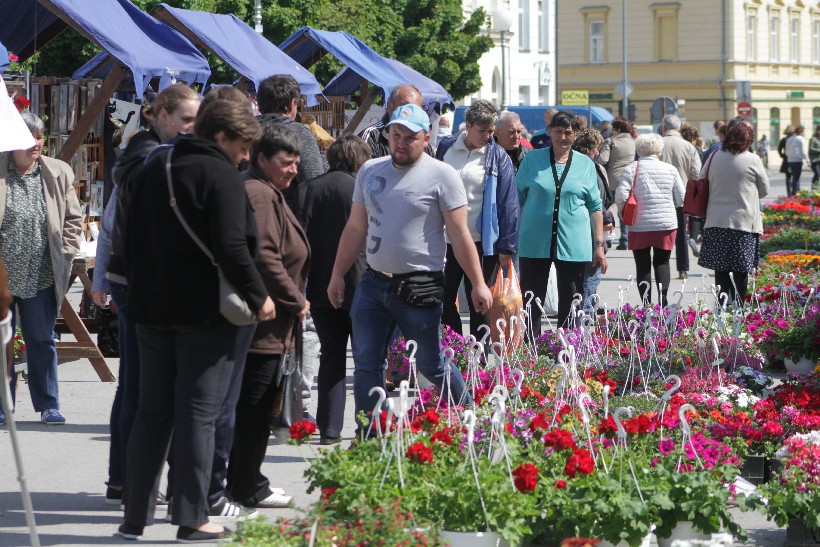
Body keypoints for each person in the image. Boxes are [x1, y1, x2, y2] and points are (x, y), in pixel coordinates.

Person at [119, 99, 274, 543]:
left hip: (151, 310)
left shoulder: (155, 166)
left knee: (152, 413)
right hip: (206, 313)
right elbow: (232, 246)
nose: (246, 157)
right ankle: (192, 516)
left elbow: (130, 236)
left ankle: (134, 514)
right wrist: (259, 297)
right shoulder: (220, 174)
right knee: (198, 414)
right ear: (221, 137)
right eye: (243, 146)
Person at [327, 103, 492, 432]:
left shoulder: (441, 174)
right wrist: (337, 275)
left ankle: (469, 420)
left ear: (426, 137)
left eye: (410, 137)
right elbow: (355, 228)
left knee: (431, 364)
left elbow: (459, 234)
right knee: (366, 364)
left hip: (420, 284)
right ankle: (371, 434)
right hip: (373, 284)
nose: (400, 143)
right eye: (395, 135)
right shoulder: (370, 171)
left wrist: (477, 282)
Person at [92, 83, 200, 507]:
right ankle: (136, 481)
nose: (192, 128)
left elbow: (108, 225)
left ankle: (125, 479)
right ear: (162, 115)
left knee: (135, 388)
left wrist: (103, 278)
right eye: (186, 119)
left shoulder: (143, 153)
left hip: (132, 280)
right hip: (144, 284)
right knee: (144, 390)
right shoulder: (149, 156)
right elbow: (113, 224)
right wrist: (104, 280)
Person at [227, 123, 309, 510]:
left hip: (271, 322)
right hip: (263, 323)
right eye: (285, 162)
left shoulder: (268, 191)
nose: (292, 169)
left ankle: (247, 478)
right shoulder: (260, 195)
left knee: (255, 406)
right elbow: (264, 257)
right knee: (254, 407)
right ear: (261, 159)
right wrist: (296, 299)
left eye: (295, 163)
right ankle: (245, 483)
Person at [0, 112, 82, 426]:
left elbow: (74, 217)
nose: (35, 143)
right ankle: (2, 405)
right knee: (2, 343)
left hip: (40, 273)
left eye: (39, 136)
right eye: (28, 137)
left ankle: (48, 404)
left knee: (41, 339)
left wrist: (67, 247)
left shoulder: (56, 172)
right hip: (3, 276)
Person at [256, 74, 323, 416]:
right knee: (301, 319)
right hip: (290, 237)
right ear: (293, 105)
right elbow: (314, 182)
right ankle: (298, 405)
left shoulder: (248, 132)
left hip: (249, 235)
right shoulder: (300, 134)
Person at [302, 135, 371, 445]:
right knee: (366, 358)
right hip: (361, 281)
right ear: (359, 161)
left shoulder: (310, 189)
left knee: (331, 355)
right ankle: (366, 428)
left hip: (319, 282)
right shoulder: (363, 189)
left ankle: (329, 429)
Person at [516, 110, 607, 334]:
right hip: (534, 241)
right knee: (531, 298)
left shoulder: (586, 164)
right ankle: (531, 350)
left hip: (574, 244)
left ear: (576, 135)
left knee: (572, 299)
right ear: (549, 132)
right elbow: (516, 199)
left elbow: (595, 207)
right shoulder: (533, 159)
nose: (563, 137)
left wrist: (599, 245)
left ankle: (567, 348)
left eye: (568, 132)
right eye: (558, 131)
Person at [436, 100, 519, 337]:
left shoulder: (497, 155)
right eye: (482, 131)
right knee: (445, 297)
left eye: (491, 131)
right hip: (446, 240)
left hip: (482, 242)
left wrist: (507, 246)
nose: (488, 136)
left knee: (480, 300)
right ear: (468, 126)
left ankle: (479, 358)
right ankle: (456, 348)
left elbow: (508, 203)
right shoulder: (446, 148)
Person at [698, 121, 769, 306]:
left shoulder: (714, 156)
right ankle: (738, 308)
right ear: (748, 139)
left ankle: (721, 308)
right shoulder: (753, 159)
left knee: (721, 270)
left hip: (716, 221)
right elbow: (764, 190)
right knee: (741, 270)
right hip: (743, 223)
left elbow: (701, 180)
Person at [615, 134, 684, 307]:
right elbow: (681, 198)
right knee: (663, 261)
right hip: (665, 224)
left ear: (639, 150)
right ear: (659, 150)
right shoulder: (671, 169)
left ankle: (646, 304)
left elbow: (621, 195)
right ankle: (663, 300)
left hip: (639, 224)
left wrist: (624, 213)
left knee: (642, 265)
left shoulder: (631, 169)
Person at [571, 129, 614, 314]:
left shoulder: (580, 165)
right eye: (596, 148)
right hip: (591, 227)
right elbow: (595, 199)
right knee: (592, 271)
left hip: (588, 225)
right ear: (590, 147)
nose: (598, 152)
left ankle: (586, 307)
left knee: (589, 271)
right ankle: (586, 310)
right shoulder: (588, 167)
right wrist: (606, 218)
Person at [659, 114, 701, 280]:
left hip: (659, 195)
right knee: (682, 234)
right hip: (681, 195)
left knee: (662, 232)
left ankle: (662, 266)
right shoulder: (688, 147)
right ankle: (683, 270)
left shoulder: (657, 144)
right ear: (678, 128)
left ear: (664, 127)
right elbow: (696, 174)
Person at [359, 84, 434, 159]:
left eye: (416, 108)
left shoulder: (422, 140)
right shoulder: (372, 136)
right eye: (396, 135)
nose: (401, 145)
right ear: (389, 107)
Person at [596, 117, 636, 250]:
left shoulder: (611, 142)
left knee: (608, 208)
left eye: (613, 129)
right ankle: (625, 238)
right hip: (629, 179)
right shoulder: (633, 142)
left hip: (612, 180)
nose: (611, 131)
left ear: (618, 130)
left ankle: (607, 237)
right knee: (624, 209)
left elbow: (602, 159)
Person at [679, 122, 705, 258]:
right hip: (691, 186)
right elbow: (697, 172)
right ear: (694, 137)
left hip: (677, 187)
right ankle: (693, 238)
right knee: (695, 215)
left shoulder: (679, 147)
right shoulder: (694, 150)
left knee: (680, 219)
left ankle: (684, 240)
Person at [785, 125, 808, 196]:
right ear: (801, 131)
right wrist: (807, 160)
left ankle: (794, 193)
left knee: (793, 177)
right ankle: (796, 193)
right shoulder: (801, 139)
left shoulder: (789, 138)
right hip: (797, 161)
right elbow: (804, 151)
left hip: (790, 160)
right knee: (796, 178)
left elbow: (786, 150)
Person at [778, 125, 794, 190]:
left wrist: (782, 155)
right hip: (794, 159)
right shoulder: (794, 139)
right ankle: (794, 192)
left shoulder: (784, 140)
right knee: (795, 177)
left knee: (788, 177)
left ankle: (789, 194)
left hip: (786, 159)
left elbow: (779, 149)